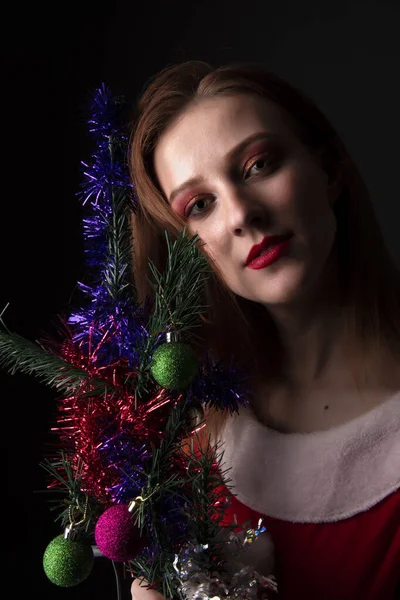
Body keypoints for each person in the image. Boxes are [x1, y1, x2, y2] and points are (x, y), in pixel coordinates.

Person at [127, 60, 400, 600]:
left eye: (258, 165)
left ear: (329, 169)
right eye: (199, 205)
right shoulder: (184, 437)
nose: (241, 215)